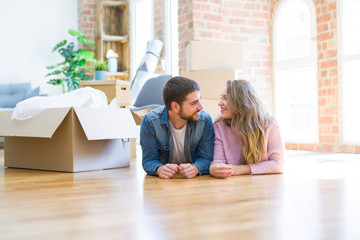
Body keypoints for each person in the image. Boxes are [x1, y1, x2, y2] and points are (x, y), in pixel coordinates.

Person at [140, 76, 214, 179]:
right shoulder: (150, 122)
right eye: (194, 103)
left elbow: (207, 158)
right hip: (165, 183)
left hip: (194, 182)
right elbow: (149, 160)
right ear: (175, 106)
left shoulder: (204, 121)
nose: (200, 107)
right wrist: (159, 169)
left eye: (199, 100)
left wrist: (196, 168)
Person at [210, 80, 284, 178]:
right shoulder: (220, 126)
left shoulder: (270, 123)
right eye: (221, 98)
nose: (219, 103)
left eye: (226, 98)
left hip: (264, 186)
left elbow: (278, 164)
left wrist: (238, 169)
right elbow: (218, 161)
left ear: (241, 101)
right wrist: (215, 167)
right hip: (232, 186)